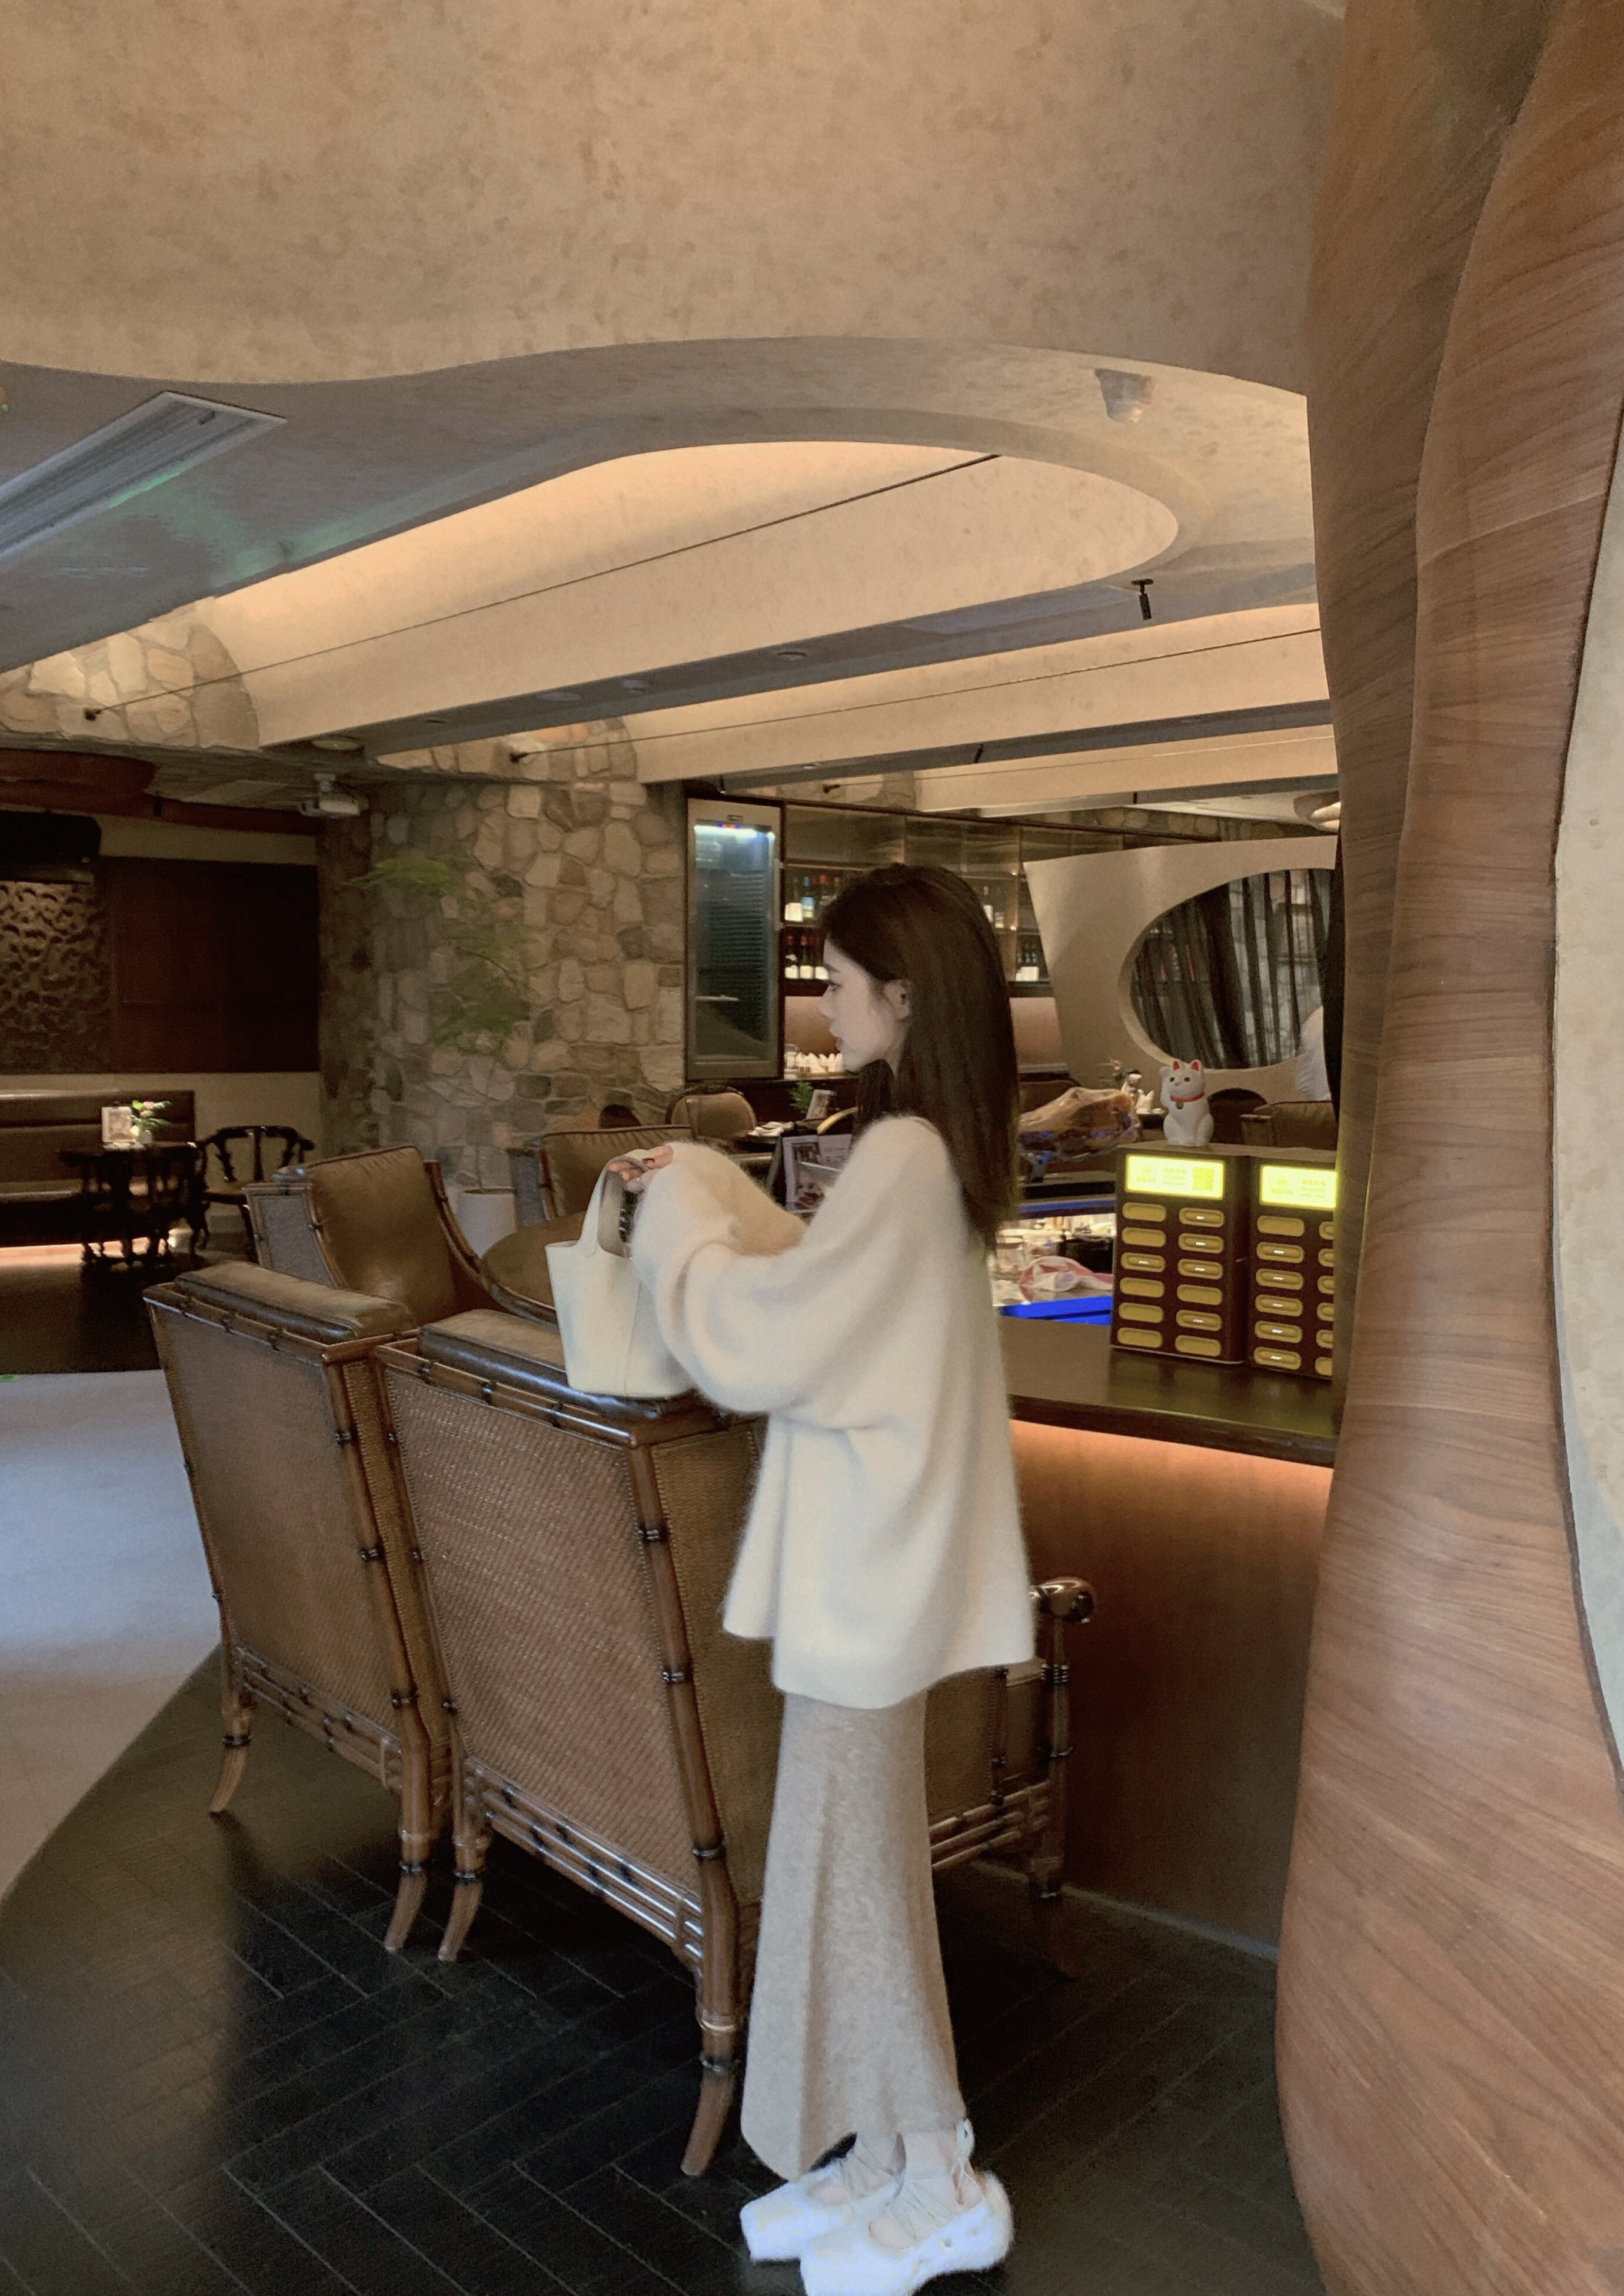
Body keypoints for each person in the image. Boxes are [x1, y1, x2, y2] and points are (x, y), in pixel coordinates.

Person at [607, 863, 1034, 2296]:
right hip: (880, 1570)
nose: (826, 1007)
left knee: (857, 1885)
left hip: (868, 1578)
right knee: (851, 1873)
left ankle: (944, 2179)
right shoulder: (931, 1150)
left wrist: (682, 1219)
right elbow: (826, 1282)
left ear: (900, 994)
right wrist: (710, 1185)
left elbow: (772, 1338)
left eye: (840, 983)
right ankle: (887, 2149)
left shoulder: (907, 1154)